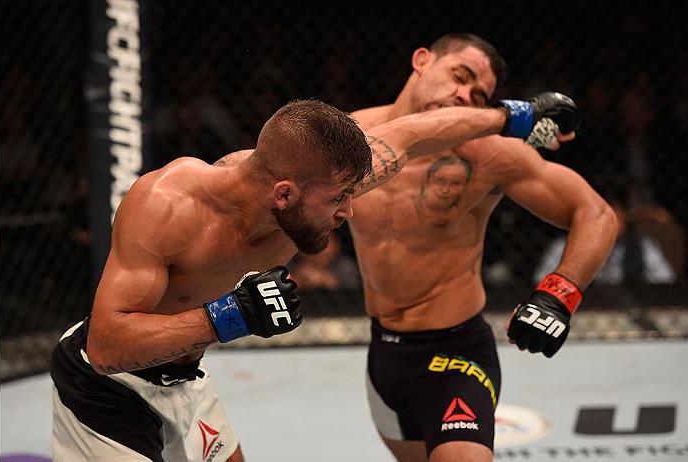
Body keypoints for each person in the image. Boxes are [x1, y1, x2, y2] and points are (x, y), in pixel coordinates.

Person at [50, 93, 571, 461]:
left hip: (185, 379)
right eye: (338, 200)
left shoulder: (315, 184)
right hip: (105, 393)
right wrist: (230, 316)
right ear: (284, 194)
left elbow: (413, 133)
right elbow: (106, 346)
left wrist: (514, 116)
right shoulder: (168, 205)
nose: (349, 211)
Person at [347, 33, 619, 462]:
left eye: (479, 95)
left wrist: (558, 294)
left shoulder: (488, 154)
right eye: (460, 76)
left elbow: (595, 212)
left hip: (457, 355)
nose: (463, 95)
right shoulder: (348, 139)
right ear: (421, 61)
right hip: (384, 353)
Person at [536, 199, 676, 285]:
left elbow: (666, 280)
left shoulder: (642, 246)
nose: (611, 222)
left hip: (633, 305)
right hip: (582, 308)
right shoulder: (563, 245)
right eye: (604, 215)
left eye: (617, 215)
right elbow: (540, 281)